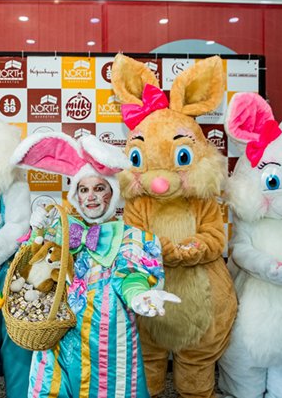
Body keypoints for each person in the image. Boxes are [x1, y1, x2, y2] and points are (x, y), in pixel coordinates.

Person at [12, 133, 181, 398]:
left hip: (107, 346)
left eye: (99, 188)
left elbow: (130, 277)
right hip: (58, 339)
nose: (91, 196)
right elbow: (31, 272)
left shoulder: (130, 237)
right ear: (75, 195)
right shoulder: (60, 230)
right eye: (83, 189)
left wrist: (139, 295)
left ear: (113, 193)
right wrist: (37, 234)